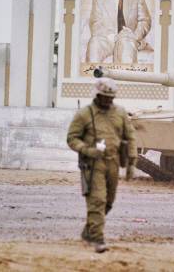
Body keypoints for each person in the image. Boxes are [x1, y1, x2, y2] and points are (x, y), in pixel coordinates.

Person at [66, 78, 137, 253]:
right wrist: (86, 150)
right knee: (97, 200)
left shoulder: (120, 113)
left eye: (110, 97)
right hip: (93, 164)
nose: (107, 100)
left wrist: (131, 163)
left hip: (113, 162)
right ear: (97, 95)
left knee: (109, 202)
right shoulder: (84, 114)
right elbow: (72, 138)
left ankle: (89, 231)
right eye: (104, 97)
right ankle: (97, 238)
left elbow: (130, 137)